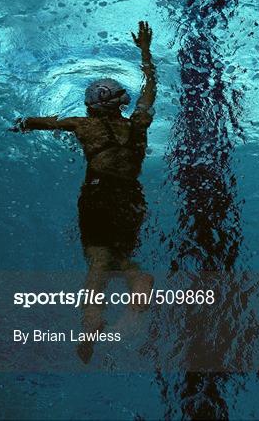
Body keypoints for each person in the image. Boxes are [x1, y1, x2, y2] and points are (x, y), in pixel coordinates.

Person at [12, 21, 156, 363]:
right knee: (118, 254)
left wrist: (20, 124)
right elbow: (152, 92)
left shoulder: (82, 124)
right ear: (120, 102)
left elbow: (40, 123)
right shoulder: (139, 123)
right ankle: (136, 279)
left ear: (92, 106)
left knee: (97, 263)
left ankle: (91, 326)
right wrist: (145, 52)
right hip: (132, 200)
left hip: (99, 198)